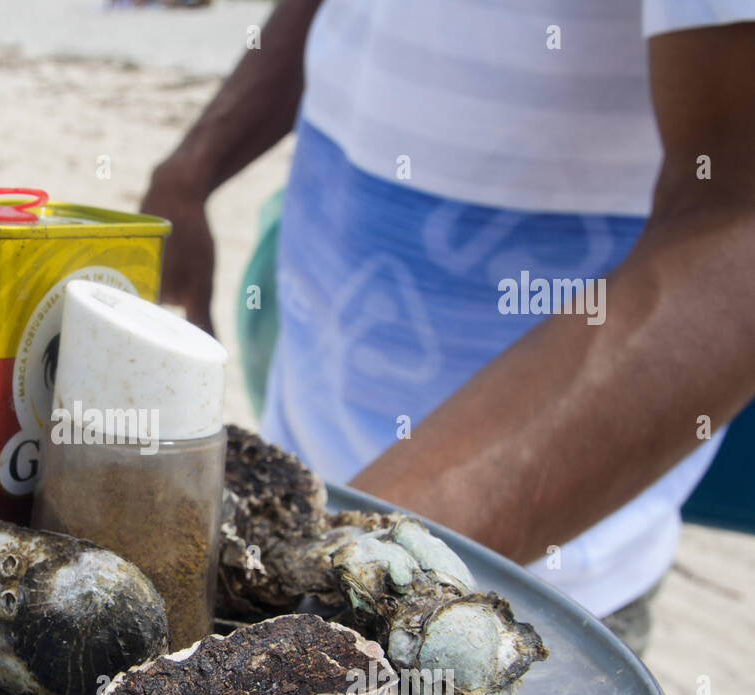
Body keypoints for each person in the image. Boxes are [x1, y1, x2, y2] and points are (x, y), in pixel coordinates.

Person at [142, 0, 755, 647]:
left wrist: (364, 563)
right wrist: (194, 164)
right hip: (304, 504)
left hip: (519, 587)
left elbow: (734, 225)